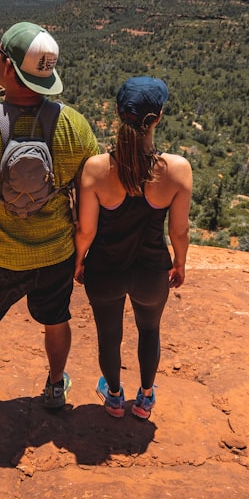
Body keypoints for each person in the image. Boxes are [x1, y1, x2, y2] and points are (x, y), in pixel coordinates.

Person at [0, 21, 99, 409]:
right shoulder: (74, 126)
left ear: (8, 69)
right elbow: (89, 196)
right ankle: (55, 386)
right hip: (56, 255)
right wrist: (82, 251)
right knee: (56, 320)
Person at [74, 76, 192, 420]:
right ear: (158, 117)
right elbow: (179, 230)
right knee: (150, 330)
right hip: (151, 272)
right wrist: (180, 263)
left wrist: (78, 262)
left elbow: (86, 229)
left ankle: (113, 398)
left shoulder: (96, 168)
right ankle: (145, 399)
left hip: (105, 271)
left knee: (109, 335)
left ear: (116, 112)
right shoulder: (177, 170)